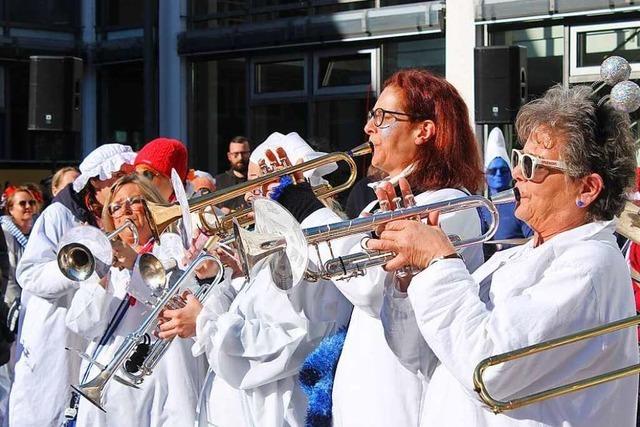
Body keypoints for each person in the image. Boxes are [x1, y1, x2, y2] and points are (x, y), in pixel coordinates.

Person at [370, 84, 639, 426]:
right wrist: (412, 276)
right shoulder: (515, 257)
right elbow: (417, 353)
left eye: (531, 164)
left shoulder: (589, 265)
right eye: (517, 158)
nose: (515, 173)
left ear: (586, 188)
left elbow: (489, 371)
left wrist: (439, 263)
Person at [311, 68, 483, 427]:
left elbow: (371, 288)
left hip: (403, 399)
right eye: (372, 116)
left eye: (383, 117)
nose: (368, 128)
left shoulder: (449, 204)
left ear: (424, 130)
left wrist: (306, 211)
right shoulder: (381, 202)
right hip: (363, 395)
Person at [158, 132, 352, 426]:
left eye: (258, 183)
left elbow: (290, 343)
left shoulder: (311, 255)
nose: (248, 196)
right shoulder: (276, 248)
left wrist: (204, 324)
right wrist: (227, 280)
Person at [65, 174, 207, 426]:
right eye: (116, 206)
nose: (125, 211)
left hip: (157, 381)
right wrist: (101, 281)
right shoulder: (105, 256)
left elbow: (179, 300)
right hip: (108, 388)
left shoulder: (172, 247)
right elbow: (81, 324)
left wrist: (136, 264)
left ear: (151, 205)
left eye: (134, 201)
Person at [10, 144, 136, 427]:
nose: (121, 186)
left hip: (95, 328)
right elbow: (29, 273)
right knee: (45, 407)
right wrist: (77, 270)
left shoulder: (114, 214)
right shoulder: (58, 215)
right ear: (97, 180)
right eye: (116, 178)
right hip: (54, 331)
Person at [481, 127, 532, 257]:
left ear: (511, 174)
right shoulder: (479, 208)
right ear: (485, 176)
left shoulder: (521, 205)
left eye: (503, 170)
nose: (498, 175)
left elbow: (532, 242)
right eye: (493, 171)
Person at [0, 186, 38, 307]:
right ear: (11, 209)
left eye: (31, 202)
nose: (28, 207)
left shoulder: (39, 231)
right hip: (11, 300)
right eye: (22, 203)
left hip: (35, 296)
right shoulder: (3, 232)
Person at [134, 137, 189, 201]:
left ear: (172, 182)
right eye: (135, 175)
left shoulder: (196, 209)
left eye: (147, 175)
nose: (139, 182)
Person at [214, 136, 251, 213]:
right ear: (229, 156)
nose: (240, 157)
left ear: (249, 154)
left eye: (244, 153)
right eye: (236, 154)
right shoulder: (219, 182)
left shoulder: (256, 179)